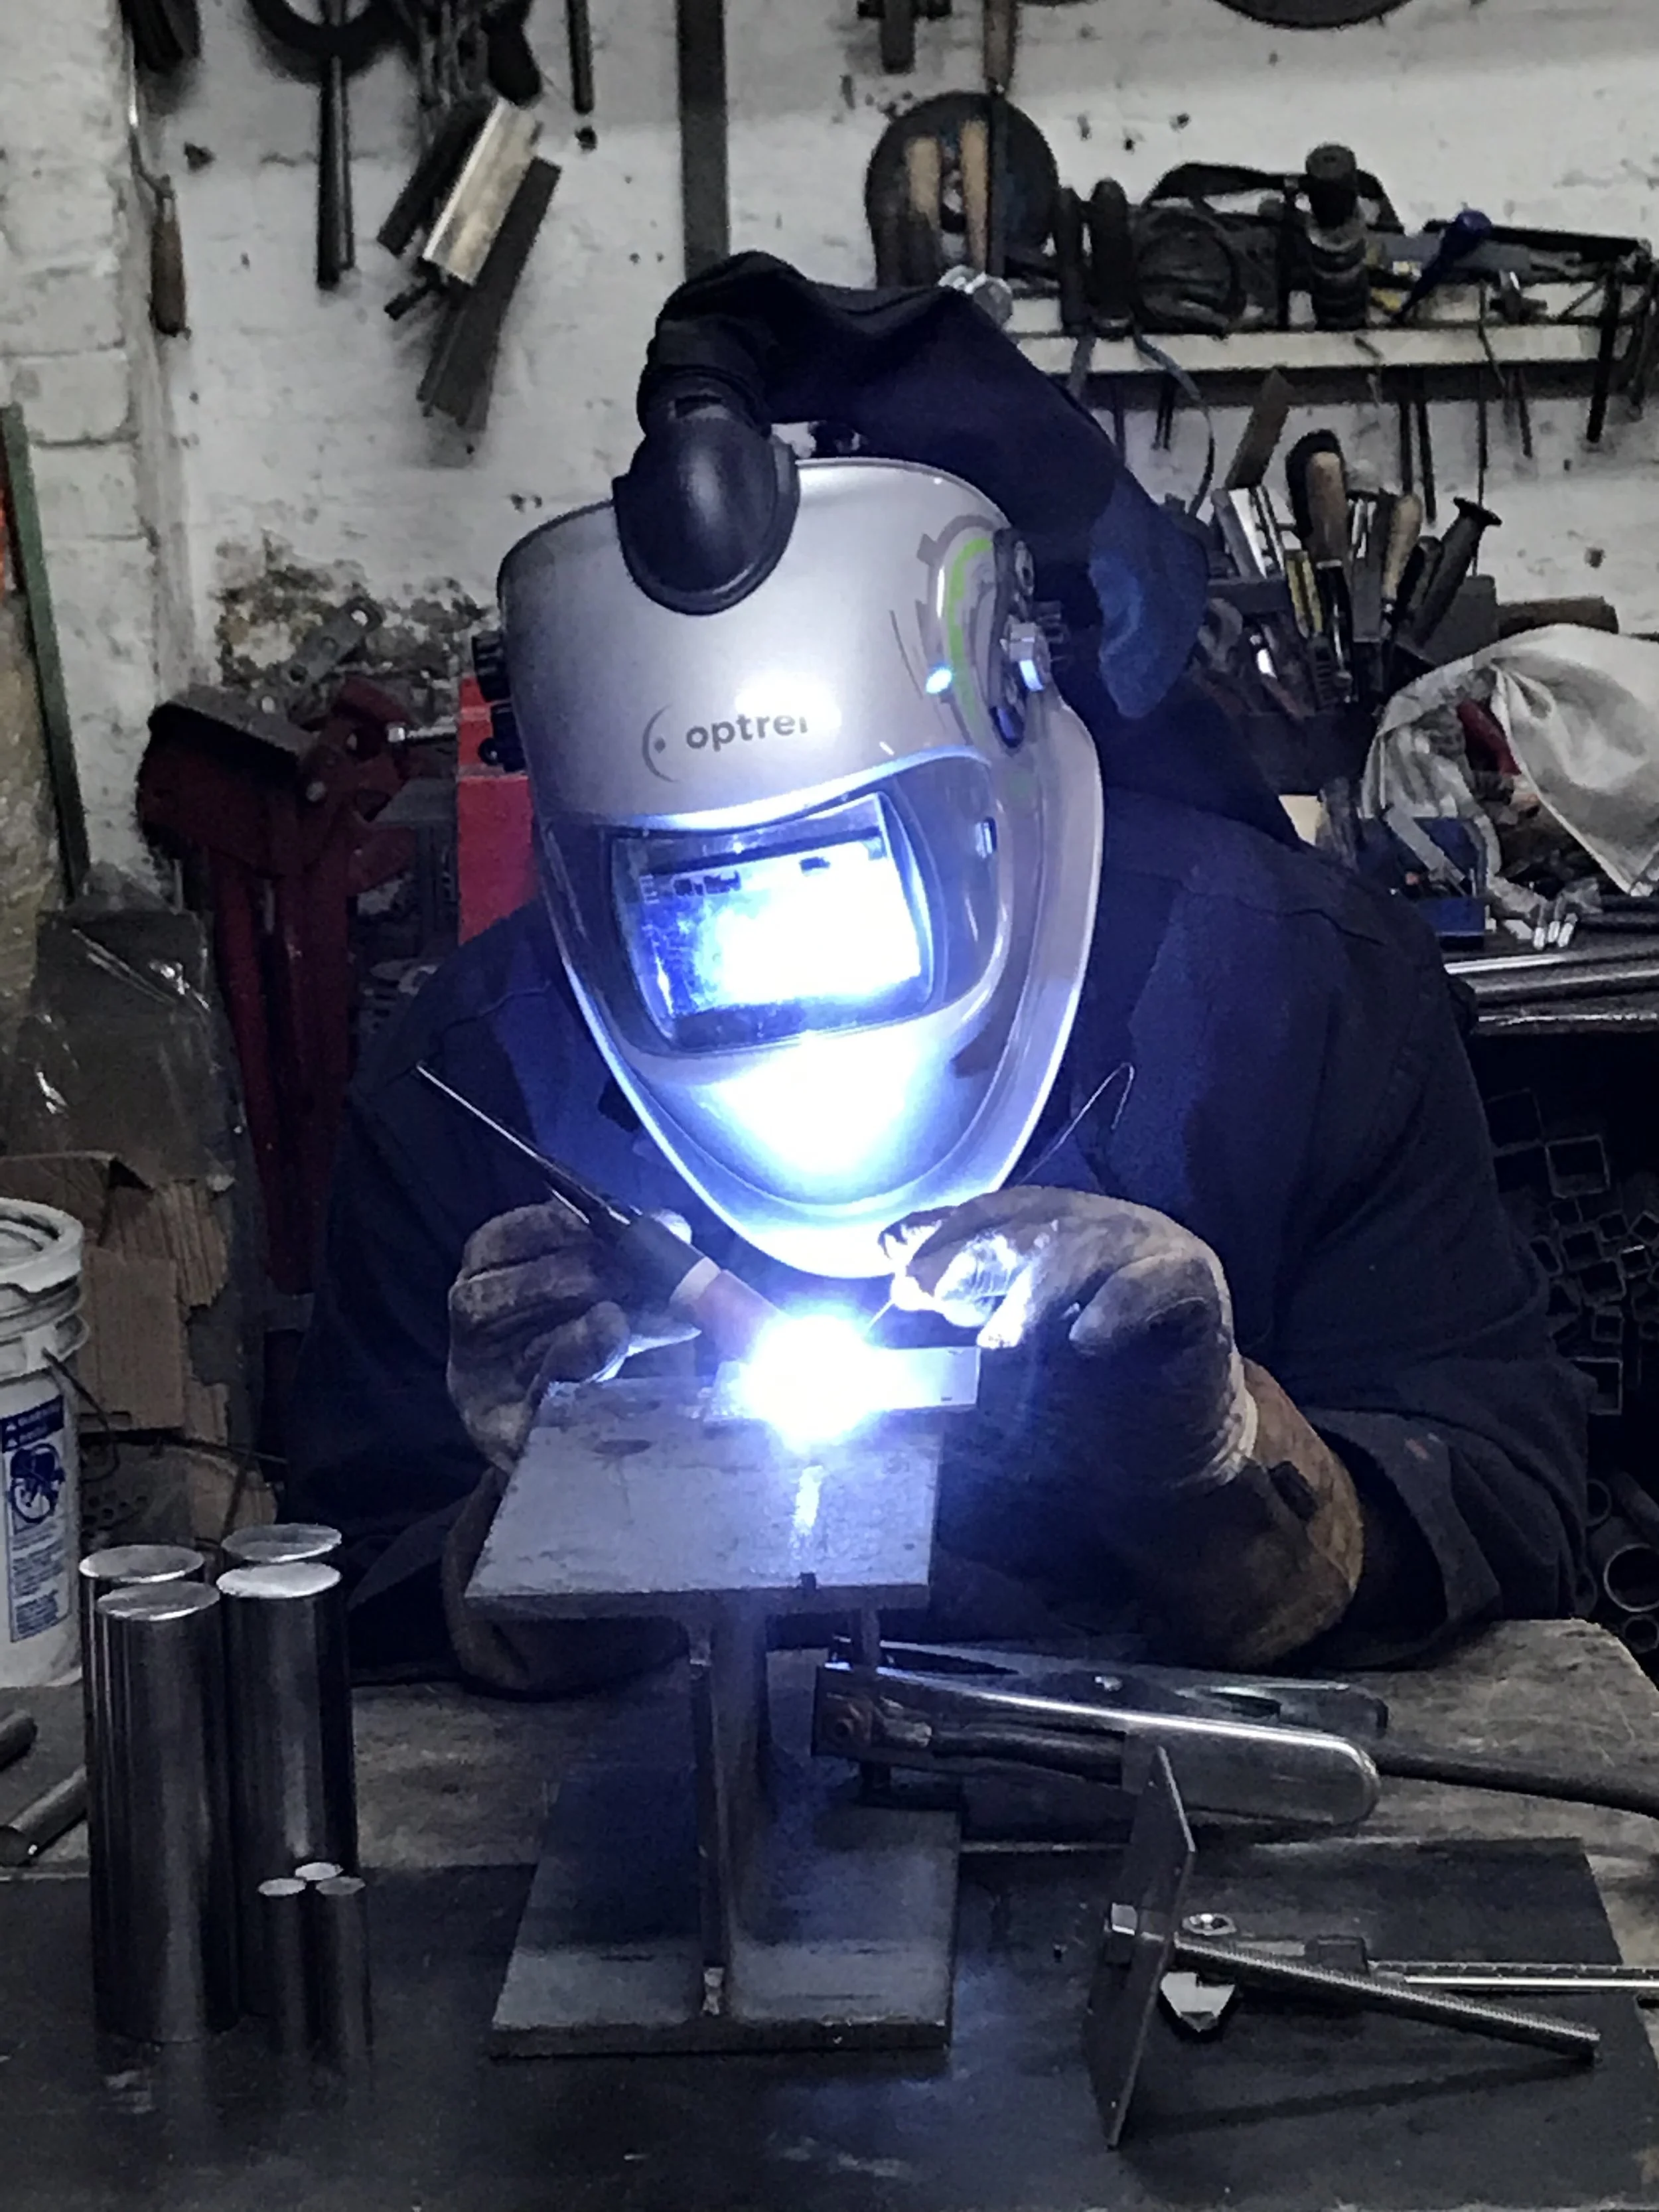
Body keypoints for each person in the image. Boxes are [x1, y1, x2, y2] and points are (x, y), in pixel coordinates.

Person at [286, 255, 1587, 1690]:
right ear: (583, 852)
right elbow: (349, 1588)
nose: (783, 966)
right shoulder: (469, 1073)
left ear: (996, 755)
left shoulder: (1296, 994)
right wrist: (538, 1536)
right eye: (691, 903)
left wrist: (1223, 1466)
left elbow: (1507, 1504)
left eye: (849, 870)